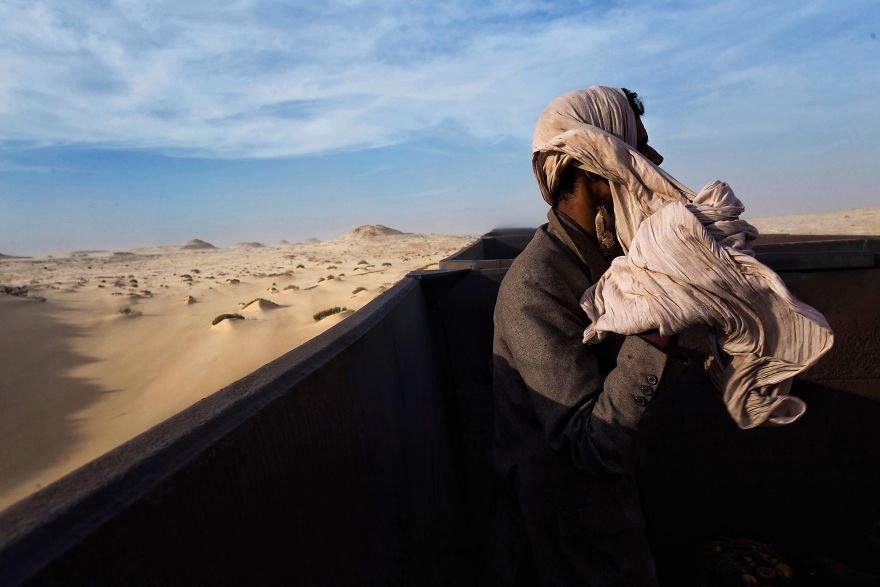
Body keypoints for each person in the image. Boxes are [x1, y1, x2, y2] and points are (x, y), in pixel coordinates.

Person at [492, 86, 683, 586]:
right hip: (575, 546)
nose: (651, 162)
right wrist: (659, 325)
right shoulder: (535, 285)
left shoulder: (612, 256)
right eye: (634, 148)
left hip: (622, 523)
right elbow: (592, 446)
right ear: (595, 163)